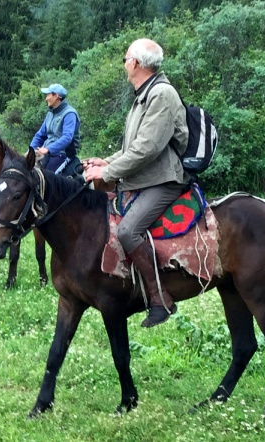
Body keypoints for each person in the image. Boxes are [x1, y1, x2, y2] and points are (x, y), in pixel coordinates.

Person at [83, 38, 189, 328]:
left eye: (126, 58)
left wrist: (107, 174)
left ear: (136, 64)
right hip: (145, 177)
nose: (124, 63)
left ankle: (160, 298)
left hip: (163, 180)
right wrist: (106, 162)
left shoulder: (162, 95)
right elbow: (133, 146)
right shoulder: (145, 94)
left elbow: (148, 148)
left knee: (128, 231)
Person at [29, 84, 82, 176]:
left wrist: (48, 149)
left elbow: (67, 138)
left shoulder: (70, 114)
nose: (46, 98)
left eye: (48, 95)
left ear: (56, 96)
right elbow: (40, 135)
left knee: (47, 178)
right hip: (47, 153)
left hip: (64, 154)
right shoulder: (50, 113)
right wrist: (31, 150)